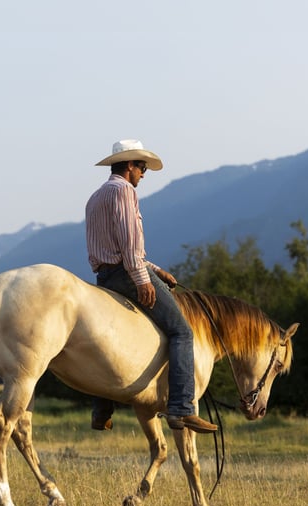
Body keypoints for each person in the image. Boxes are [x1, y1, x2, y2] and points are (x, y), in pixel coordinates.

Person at [85, 139, 217, 434]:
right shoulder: (124, 191)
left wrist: (156, 270)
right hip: (126, 274)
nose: (144, 174)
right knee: (182, 331)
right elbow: (130, 245)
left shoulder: (95, 197)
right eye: (142, 168)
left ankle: (102, 409)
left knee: (101, 336)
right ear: (129, 165)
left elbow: (115, 248)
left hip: (104, 276)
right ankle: (182, 409)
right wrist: (144, 279)